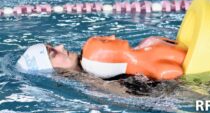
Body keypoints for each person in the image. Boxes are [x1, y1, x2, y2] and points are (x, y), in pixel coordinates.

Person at [16, 35, 187, 80]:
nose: (61, 47)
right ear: (50, 71)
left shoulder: (93, 58)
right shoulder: (91, 87)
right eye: (53, 53)